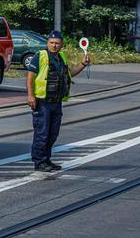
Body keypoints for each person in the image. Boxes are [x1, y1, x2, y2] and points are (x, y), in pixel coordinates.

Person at [26, 30, 89, 172]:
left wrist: (82, 64)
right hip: (42, 102)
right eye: (51, 43)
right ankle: (39, 162)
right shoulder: (40, 56)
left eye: (57, 43)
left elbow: (69, 74)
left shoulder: (61, 57)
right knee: (42, 133)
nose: (54, 45)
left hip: (56, 102)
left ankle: (46, 160)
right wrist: (30, 95)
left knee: (52, 134)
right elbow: (30, 76)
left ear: (61, 45)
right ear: (47, 43)